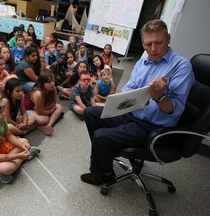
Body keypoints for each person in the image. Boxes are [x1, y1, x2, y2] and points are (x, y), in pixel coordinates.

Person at [80, 19, 195, 186]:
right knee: (90, 113)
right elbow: (130, 87)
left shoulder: (181, 66)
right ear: (143, 43)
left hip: (152, 127)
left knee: (101, 136)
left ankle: (103, 174)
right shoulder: (143, 61)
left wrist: (160, 97)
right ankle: (105, 153)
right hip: (132, 113)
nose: (153, 49)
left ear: (168, 39)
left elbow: (176, 111)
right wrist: (118, 103)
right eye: (148, 44)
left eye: (158, 43)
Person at [22, 70, 63, 136]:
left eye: (53, 81)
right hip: (28, 109)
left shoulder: (53, 88)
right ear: (42, 83)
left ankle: (49, 125)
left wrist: (46, 108)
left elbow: (54, 103)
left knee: (60, 107)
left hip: (43, 106)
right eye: (49, 82)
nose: (52, 83)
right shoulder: (38, 93)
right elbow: (40, 112)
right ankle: (37, 126)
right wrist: (51, 110)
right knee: (44, 120)